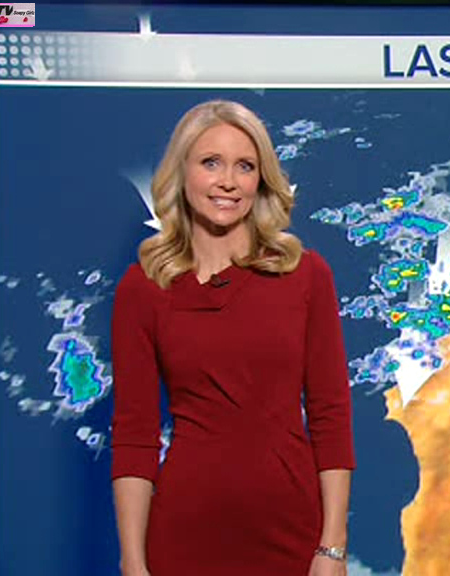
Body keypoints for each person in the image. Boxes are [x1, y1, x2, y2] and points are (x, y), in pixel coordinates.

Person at [110, 99, 355, 576]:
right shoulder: (144, 288)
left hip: (291, 533)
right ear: (182, 174)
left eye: (245, 166)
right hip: (184, 535)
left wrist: (333, 548)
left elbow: (330, 416)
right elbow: (135, 435)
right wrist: (134, 564)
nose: (228, 181)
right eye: (211, 163)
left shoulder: (305, 276)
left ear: (260, 180)